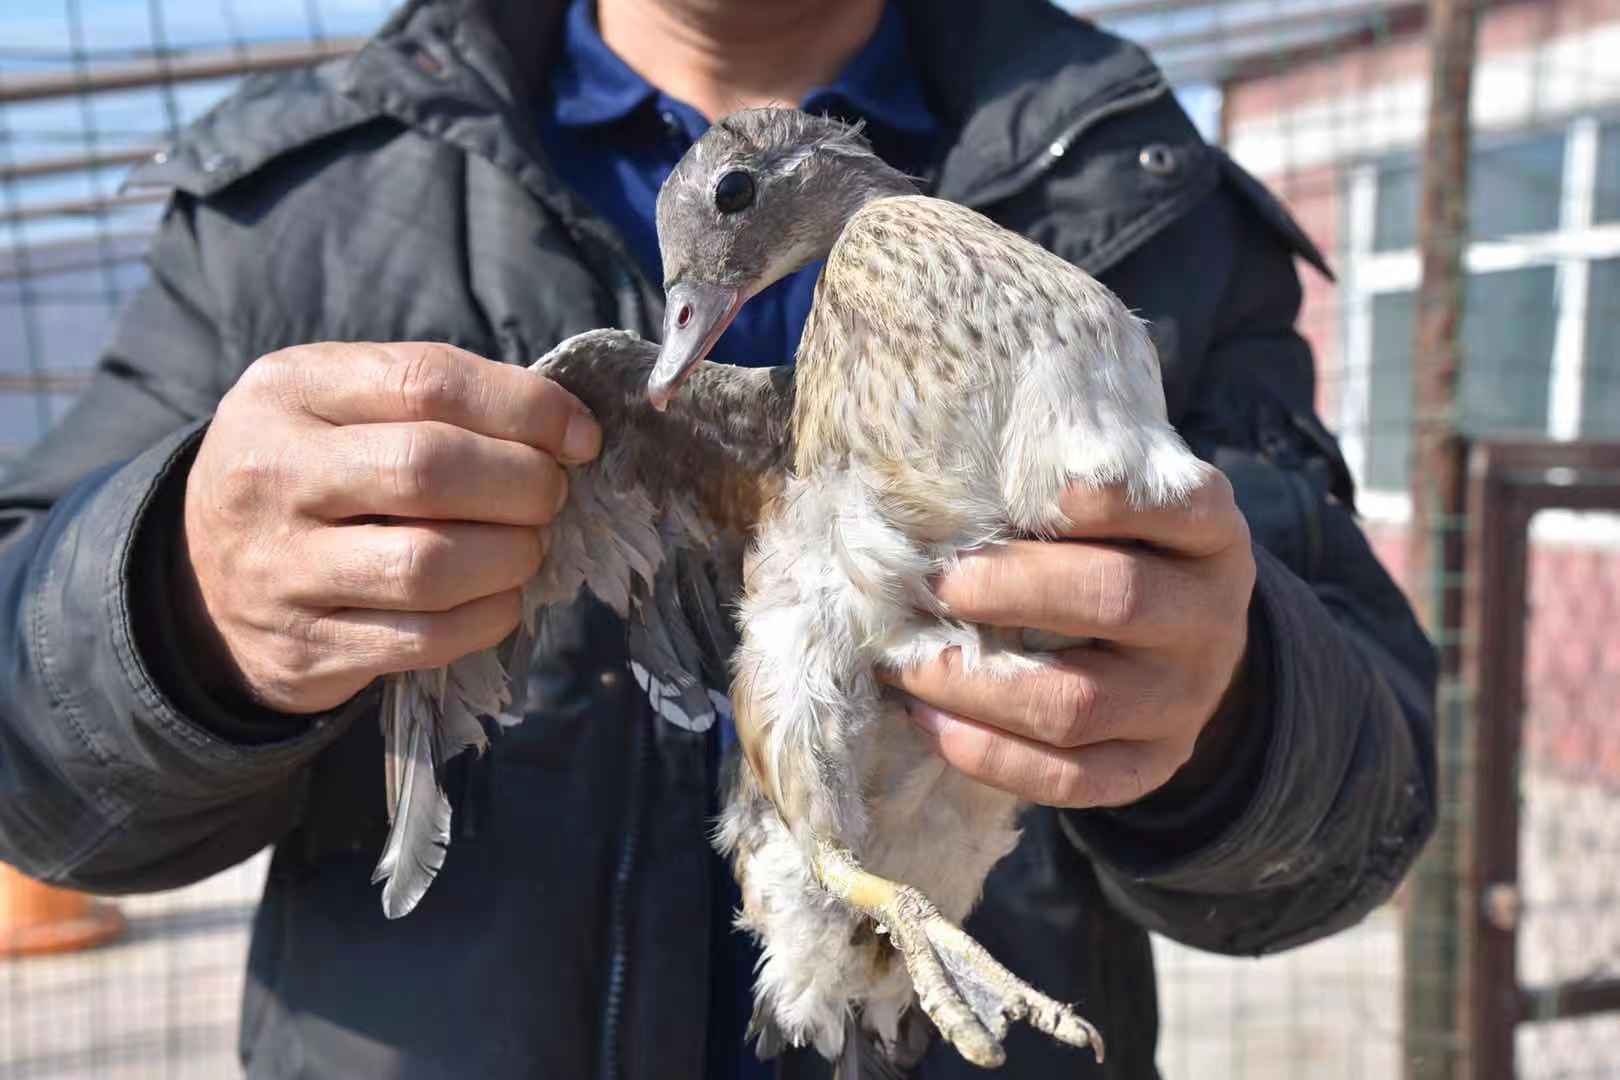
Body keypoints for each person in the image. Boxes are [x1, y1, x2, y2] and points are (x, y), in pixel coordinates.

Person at [0, 0, 1436, 1077]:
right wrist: (175, 609)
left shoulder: (1141, 186)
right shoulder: (296, 203)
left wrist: (1232, 705)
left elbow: (1366, 804)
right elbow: (31, 767)